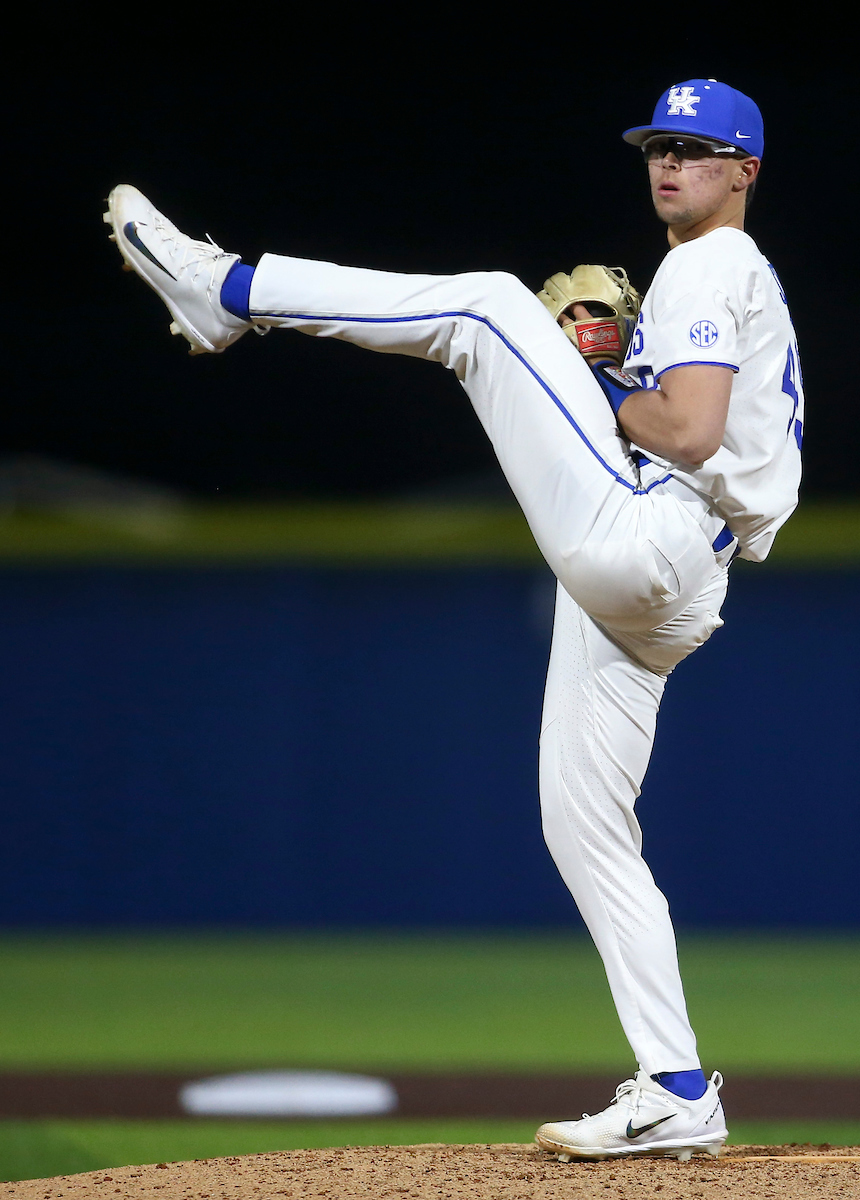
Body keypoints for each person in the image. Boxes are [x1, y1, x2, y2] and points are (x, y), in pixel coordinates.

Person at [104, 77, 803, 1163]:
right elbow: (683, 430)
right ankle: (676, 1089)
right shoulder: (723, 272)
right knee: (585, 826)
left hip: (653, 542)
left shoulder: (711, 261)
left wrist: (596, 373)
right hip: (666, 576)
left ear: (745, 171)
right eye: (659, 144)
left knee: (484, 308)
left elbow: (694, 430)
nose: (671, 162)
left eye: (698, 149)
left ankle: (228, 288)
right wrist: (614, 376)